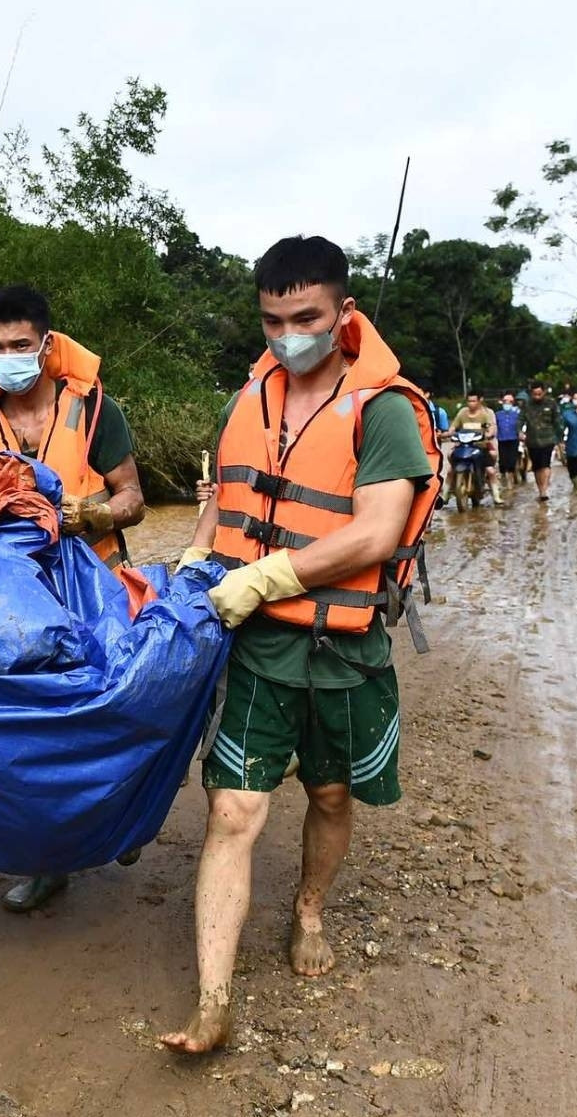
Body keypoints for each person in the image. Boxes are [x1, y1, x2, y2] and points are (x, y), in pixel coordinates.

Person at [159, 236, 435, 1056]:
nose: (288, 335)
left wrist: (267, 575)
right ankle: (213, 1000)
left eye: (306, 317)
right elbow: (229, 500)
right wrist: (196, 554)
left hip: (343, 651)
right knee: (234, 811)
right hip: (256, 649)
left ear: (343, 313)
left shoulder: (381, 409)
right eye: (273, 320)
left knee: (330, 797)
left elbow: (378, 530)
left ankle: (308, 907)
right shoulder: (248, 398)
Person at [0, 283, 146, 912]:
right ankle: (47, 861)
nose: (6, 357)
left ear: (45, 345)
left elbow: (133, 499)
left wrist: (77, 515)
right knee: (32, 731)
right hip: (20, 604)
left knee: (111, 713)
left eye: (19, 345)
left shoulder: (94, 410)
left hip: (99, 588)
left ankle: (121, 816)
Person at [449, 390, 501, 504]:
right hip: (463, 446)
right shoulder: (462, 413)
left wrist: (489, 433)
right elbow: (453, 426)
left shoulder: (485, 414)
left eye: (473, 401)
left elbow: (491, 427)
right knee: (450, 466)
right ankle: (446, 493)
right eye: (469, 401)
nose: (471, 403)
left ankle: (496, 495)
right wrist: (450, 432)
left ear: (479, 401)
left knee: (491, 471)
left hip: (481, 447)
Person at [521, 382, 563, 501]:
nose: (537, 396)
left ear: (544, 392)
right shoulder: (527, 405)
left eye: (539, 393)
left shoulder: (551, 403)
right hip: (532, 440)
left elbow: (557, 421)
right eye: (534, 394)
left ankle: (544, 490)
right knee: (536, 467)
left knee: (545, 465)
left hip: (548, 439)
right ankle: (540, 489)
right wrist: (519, 431)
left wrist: (559, 438)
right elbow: (520, 419)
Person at [494, 391, 523, 483]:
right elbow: (494, 426)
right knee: (502, 461)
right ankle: (504, 476)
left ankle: (511, 477)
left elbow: (521, 425)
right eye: (505, 401)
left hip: (514, 439)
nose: (507, 404)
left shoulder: (517, 415)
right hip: (502, 440)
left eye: (510, 402)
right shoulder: (497, 414)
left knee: (512, 460)